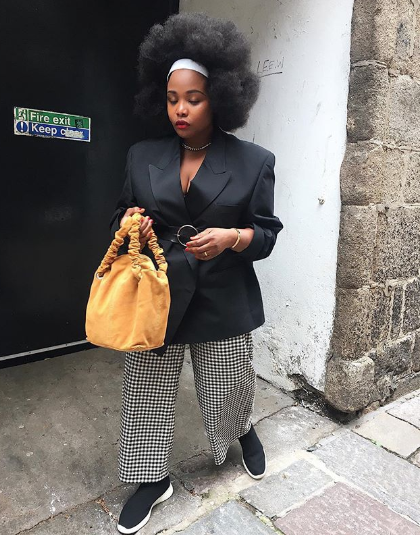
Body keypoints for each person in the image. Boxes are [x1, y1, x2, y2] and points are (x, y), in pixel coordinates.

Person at [109, 12, 283, 534]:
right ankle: (151, 479)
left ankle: (241, 429)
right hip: (158, 293)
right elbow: (118, 215)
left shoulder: (254, 161)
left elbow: (267, 234)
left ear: (221, 97)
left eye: (194, 98)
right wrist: (131, 222)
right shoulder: (142, 155)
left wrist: (232, 238)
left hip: (221, 292)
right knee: (146, 391)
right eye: (171, 99)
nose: (180, 110)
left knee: (227, 382)